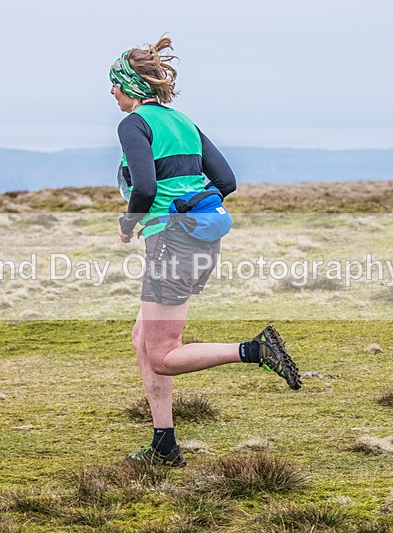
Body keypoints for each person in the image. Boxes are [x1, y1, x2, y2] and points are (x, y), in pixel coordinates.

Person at [110, 36, 302, 467]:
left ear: (129, 85)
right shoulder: (183, 123)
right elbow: (227, 181)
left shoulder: (134, 125)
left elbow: (144, 187)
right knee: (143, 338)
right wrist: (191, 202)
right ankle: (164, 444)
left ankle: (255, 350)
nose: (111, 93)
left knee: (162, 354)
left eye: (115, 85)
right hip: (199, 237)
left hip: (172, 241)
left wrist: (128, 222)